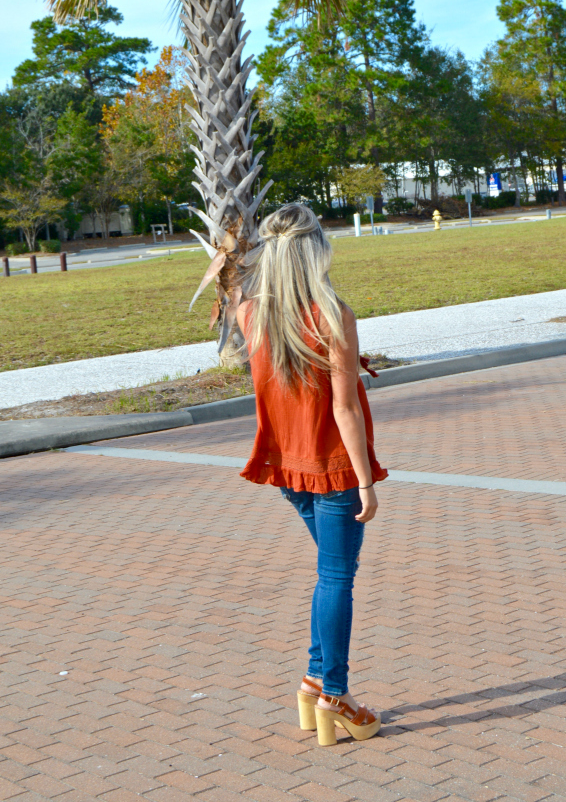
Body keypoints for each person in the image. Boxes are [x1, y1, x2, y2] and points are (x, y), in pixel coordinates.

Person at [237, 203, 388, 746]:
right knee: (337, 577)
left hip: (287, 467)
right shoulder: (331, 313)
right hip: (333, 469)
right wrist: (366, 480)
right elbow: (344, 409)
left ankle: (313, 681)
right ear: (316, 249)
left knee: (331, 573)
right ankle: (335, 696)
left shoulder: (250, 312)